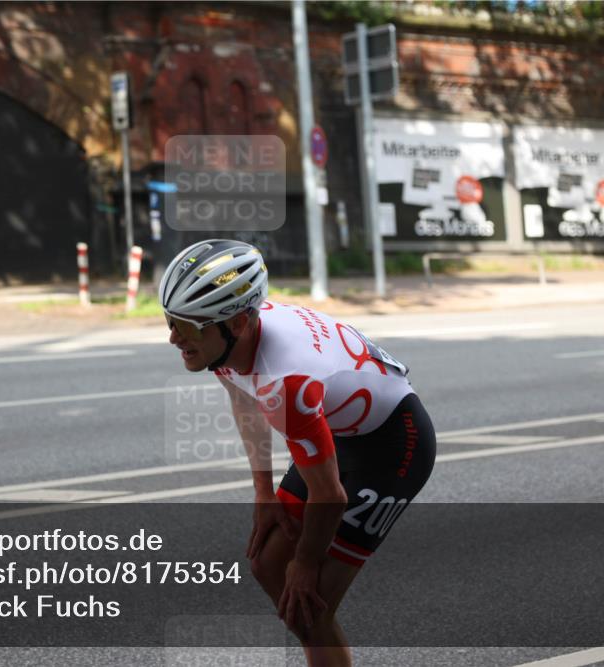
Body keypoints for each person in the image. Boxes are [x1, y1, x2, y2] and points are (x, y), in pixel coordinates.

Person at [159, 238, 436, 666]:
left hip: (393, 445)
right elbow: (242, 399)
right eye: (171, 321)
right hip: (338, 427)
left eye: (189, 327)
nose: (174, 338)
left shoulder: (285, 382)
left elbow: (330, 495)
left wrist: (306, 562)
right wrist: (263, 493)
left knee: (308, 606)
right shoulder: (232, 338)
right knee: (268, 564)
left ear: (236, 323)